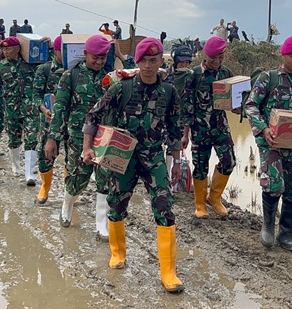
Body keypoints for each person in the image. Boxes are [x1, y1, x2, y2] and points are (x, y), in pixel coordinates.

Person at [82, 37, 184, 294]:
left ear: (162, 61)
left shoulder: (169, 92)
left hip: (154, 158)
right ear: (137, 62)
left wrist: (176, 163)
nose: (149, 65)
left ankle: (169, 272)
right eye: (144, 61)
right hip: (123, 158)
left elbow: (174, 129)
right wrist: (87, 147)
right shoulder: (122, 88)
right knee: (116, 205)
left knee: (165, 208)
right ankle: (117, 253)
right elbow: (93, 115)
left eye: (154, 60)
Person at [244, 35, 292, 253]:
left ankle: (286, 235)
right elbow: (251, 105)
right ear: (283, 55)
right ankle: (268, 226)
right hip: (271, 142)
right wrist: (263, 128)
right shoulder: (269, 79)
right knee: (274, 184)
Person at [45, 35, 112, 236]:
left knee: (104, 179)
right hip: (76, 137)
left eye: (103, 57)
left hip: (103, 138)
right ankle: (67, 206)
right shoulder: (70, 75)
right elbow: (60, 108)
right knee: (78, 177)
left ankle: (102, 224)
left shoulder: (110, 77)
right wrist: (52, 138)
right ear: (85, 54)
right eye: (95, 57)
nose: (99, 62)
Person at [180, 36, 236, 218]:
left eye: (221, 58)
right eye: (214, 58)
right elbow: (187, 105)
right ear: (206, 55)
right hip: (199, 129)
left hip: (220, 127)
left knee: (229, 161)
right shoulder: (194, 74)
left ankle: (215, 198)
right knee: (200, 166)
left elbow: (233, 100)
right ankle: (199, 203)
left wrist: (238, 105)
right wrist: (185, 133)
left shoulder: (226, 73)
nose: (217, 62)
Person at [0, 37, 41, 184]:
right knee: (14, 140)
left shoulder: (30, 64)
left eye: (8, 49)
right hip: (11, 109)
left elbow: (49, 61)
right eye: (3, 49)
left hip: (30, 108)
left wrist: (48, 45)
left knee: (31, 139)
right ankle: (16, 166)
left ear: (17, 49)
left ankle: (29, 174)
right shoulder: (1, 66)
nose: (5, 52)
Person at [33, 35, 64, 206]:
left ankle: (71, 191)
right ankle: (45, 187)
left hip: (71, 122)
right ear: (56, 50)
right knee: (45, 156)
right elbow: (36, 95)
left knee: (72, 158)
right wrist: (43, 109)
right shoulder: (45, 69)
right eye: (63, 51)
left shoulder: (76, 70)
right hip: (49, 120)